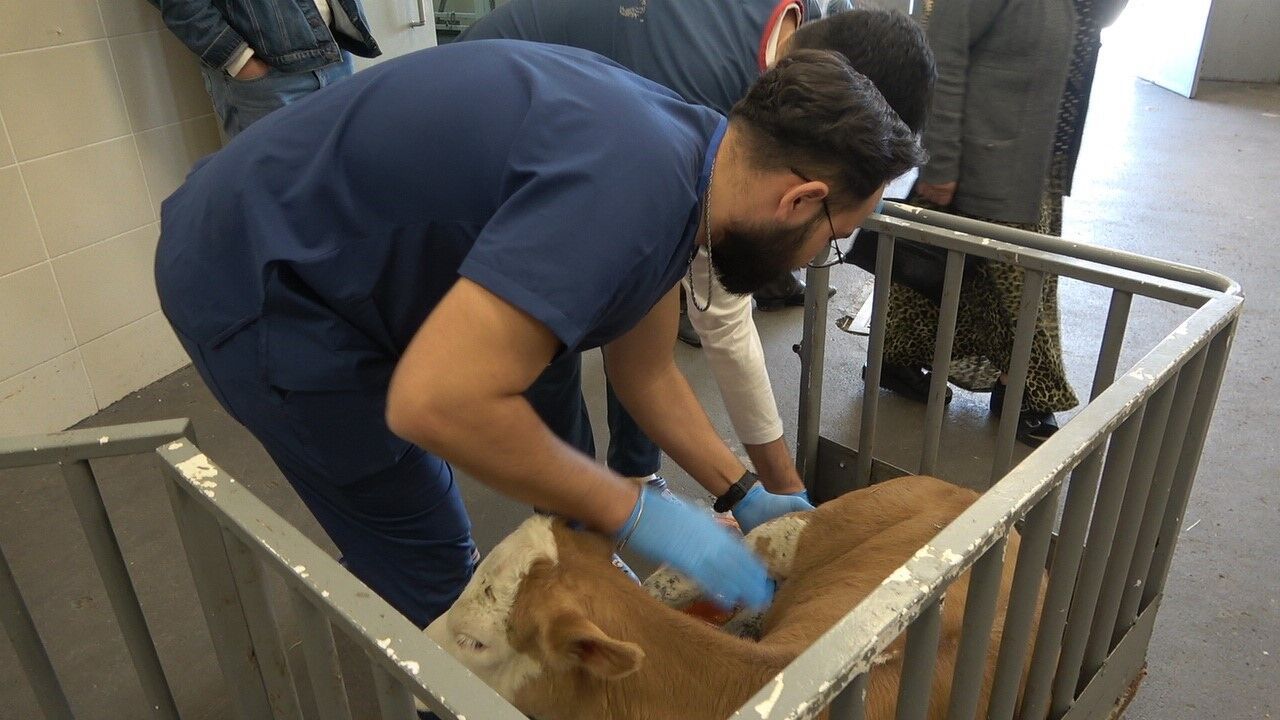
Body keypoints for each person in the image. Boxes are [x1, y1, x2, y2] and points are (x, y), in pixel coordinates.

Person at [154, 40, 925, 627]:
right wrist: (632, 509)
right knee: (430, 550)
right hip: (258, 277)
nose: (819, 258)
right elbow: (436, 403)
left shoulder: (694, 165)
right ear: (800, 201)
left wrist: (745, 493)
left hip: (320, 245)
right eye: (833, 240)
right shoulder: (626, 194)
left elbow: (647, 373)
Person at [460, 3, 935, 498]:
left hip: (549, 103)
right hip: (487, 121)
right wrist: (778, 486)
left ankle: (635, 477)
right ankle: (571, 513)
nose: (809, 261)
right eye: (831, 238)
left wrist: (745, 492)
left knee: (634, 306)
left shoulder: (798, 36)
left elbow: (644, 360)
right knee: (550, 343)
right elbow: (720, 316)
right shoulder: (693, 115)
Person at [868, 0, 1078, 446]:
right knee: (1014, 279)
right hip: (987, 154)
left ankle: (894, 357)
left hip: (1034, 153)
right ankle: (1024, 389)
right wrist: (941, 160)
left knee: (947, 266)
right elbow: (942, 58)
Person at [150, 0, 380, 138]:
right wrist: (240, 61)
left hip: (335, 52)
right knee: (282, 194)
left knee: (342, 187)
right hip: (267, 78)